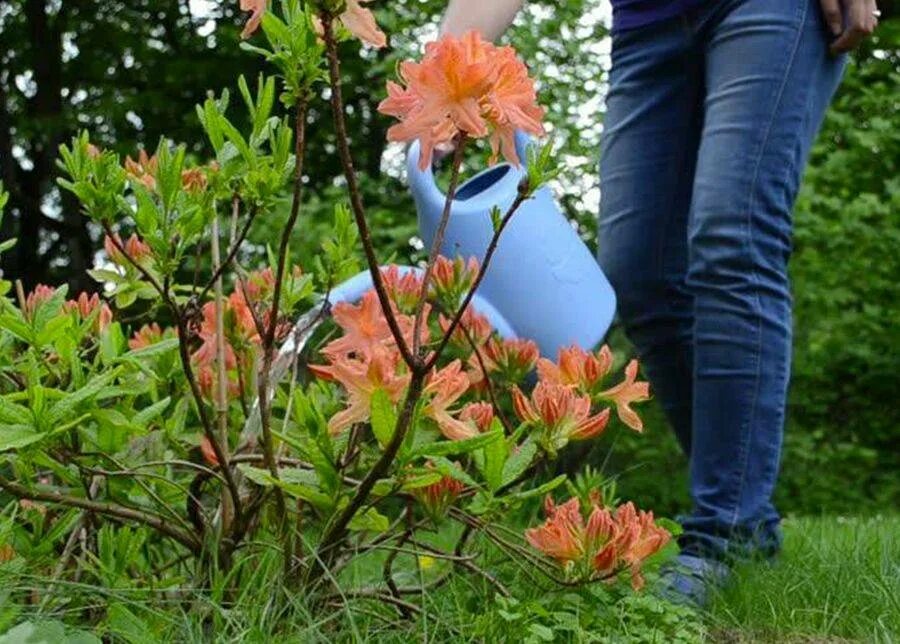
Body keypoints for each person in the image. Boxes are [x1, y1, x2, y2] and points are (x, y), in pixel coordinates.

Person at [438, 0, 879, 603]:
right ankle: (745, 518)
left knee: (732, 237)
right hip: (646, 27)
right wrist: (443, 79)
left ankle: (725, 533)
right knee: (638, 273)